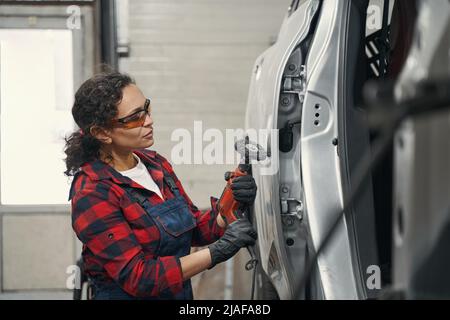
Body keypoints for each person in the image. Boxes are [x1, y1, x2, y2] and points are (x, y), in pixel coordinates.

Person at [64, 71, 258, 300]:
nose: (149, 120)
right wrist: (217, 252)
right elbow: (139, 277)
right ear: (102, 133)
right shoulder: (93, 193)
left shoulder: (155, 164)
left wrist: (231, 203)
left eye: (146, 108)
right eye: (136, 117)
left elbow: (193, 228)